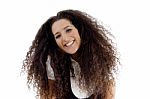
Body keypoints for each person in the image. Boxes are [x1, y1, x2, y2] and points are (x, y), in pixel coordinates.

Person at [22, 9, 119, 99]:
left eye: (68, 30)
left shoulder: (101, 56)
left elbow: (109, 95)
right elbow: (49, 96)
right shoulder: (53, 63)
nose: (65, 38)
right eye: (58, 36)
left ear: (79, 30)